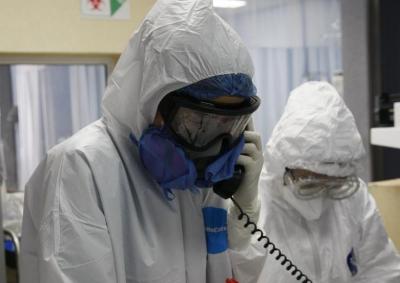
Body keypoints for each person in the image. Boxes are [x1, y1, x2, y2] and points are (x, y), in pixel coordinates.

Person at [20, 0, 267, 282]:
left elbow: (237, 276)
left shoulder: (205, 183)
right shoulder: (81, 167)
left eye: (229, 124)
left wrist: (244, 214)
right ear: (152, 101)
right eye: (199, 123)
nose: (214, 144)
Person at [257, 81, 400, 283]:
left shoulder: (355, 197)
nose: (321, 195)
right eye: (310, 182)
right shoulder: (253, 205)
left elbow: (381, 269)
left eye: (334, 184)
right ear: (284, 166)